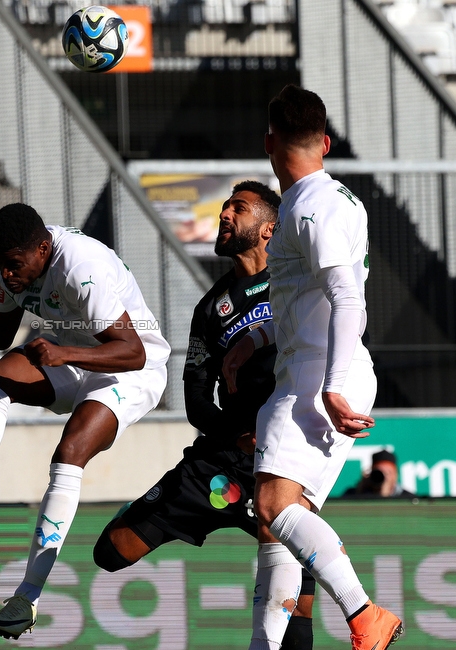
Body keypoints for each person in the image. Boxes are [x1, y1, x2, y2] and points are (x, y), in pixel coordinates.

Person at [0, 203, 170, 640]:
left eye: (15, 265)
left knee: (71, 450)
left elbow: (132, 351)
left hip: (130, 370)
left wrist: (65, 354)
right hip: (72, 354)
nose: (7, 274)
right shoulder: (14, 264)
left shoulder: (81, 267)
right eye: (1, 264)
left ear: (43, 249)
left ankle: (28, 596)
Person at [92, 181, 316, 650]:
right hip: (219, 463)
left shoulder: (296, 284)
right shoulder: (210, 309)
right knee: (110, 551)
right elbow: (196, 398)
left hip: (283, 463)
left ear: (269, 229)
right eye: (225, 206)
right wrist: (235, 434)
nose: (225, 214)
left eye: (239, 208)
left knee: (296, 607)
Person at [222, 85, 404, 650]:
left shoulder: (306, 207)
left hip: (318, 375)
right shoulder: (342, 200)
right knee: (277, 523)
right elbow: (311, 298)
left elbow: (348, 299)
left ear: (270, 144)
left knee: (274, 507)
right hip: (325, 365)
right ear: (324, 142)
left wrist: (328, 389)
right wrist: (258, 337)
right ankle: (266, 646)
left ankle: (363, 613)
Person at [343, 450, 415, 499]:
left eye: (388, 472)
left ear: (395, 475)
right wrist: (360, 493)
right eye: (380, 472)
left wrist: (385, 495)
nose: (384, 476)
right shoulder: (352, 494)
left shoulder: (408, 499)